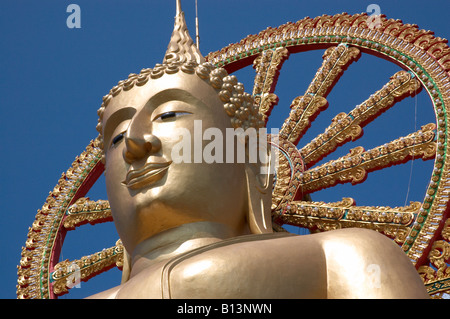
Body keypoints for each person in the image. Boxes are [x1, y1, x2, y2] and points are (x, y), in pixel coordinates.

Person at [88, 1, 429, 298]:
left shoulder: (337, 257)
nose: (133, 143)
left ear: (249, 158)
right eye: (116, 137)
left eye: (168, 114)